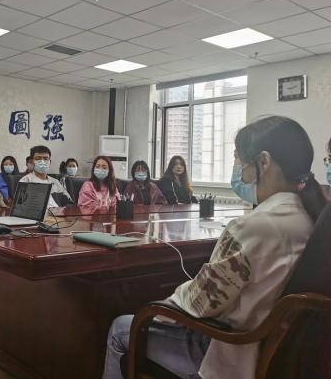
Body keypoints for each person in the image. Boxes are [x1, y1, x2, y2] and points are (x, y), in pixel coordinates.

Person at [103, 116, 327, 379]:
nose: (240, 174)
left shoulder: (254, 226)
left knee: (121, 328)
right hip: (280, 353)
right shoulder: (313, 215)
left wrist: (160, 305)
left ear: (264, 162)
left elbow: (199, 302)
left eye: (241, 163)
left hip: (231, 351)